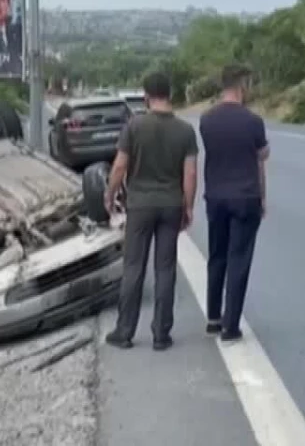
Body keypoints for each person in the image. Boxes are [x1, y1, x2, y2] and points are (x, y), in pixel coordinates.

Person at [103, 71, 199, 351]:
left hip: (140, 206)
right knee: (165, 268)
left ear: (146, 96)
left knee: (133, 267)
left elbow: (120, 166)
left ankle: (124, 332)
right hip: (171, 205)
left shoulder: (134, 126)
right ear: (170, 94)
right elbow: (190, 173)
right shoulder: (185, 130)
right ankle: (161, 334)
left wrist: (110, 195)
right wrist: (189, 206)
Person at [198, 64, 269, 342]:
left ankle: (213, 317)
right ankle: (231, 324)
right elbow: (262, 156)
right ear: (242, 86)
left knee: (217, 256)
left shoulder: (206, 119)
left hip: (215, 196)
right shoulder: (253, 121)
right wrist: (263, 197)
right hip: (246, 196)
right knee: (239, 259)